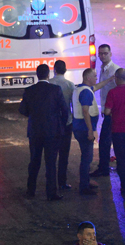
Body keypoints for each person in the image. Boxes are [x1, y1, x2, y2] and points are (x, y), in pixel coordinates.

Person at [19, 64, 68, 201]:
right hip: (52, 132)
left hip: (35, 131)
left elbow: (22, 110)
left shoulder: (29, 90)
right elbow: (65, 110)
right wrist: (60, 125)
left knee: (34, 161)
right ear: (48, 75)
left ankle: (31, 190)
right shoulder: (56, 90)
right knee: (51, 163)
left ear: (37, 74)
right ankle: (51, 193)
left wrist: (33, 115)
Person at [72, 69, 111, 195]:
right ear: (88, 78)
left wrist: (109, 80)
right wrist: (90, 130)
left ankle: (86, 182)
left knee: (86, 157)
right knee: (87, 158)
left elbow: (97, 86)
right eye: (94, 76)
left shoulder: (81, 89)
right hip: (84, 129)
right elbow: (85, 111)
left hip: (79, 128)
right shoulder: (86, 93)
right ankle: (84, 186)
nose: (96, 78)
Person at [91, 44, 120, 177]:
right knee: (108, 141)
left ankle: (104, 168)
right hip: (107, 111)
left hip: (114, 112)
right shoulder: (102, 68)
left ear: (111, 54)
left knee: (106, 141)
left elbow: (120, 91)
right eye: (101, 53)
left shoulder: (115, 71)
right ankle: (107, 167)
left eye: (105, 53)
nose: (102, 56)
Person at [48, 60, 75, 191]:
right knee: (64, 155)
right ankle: (62, 182)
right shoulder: (70, 85)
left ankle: (51, 182)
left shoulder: (49, 84)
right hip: (66, 122)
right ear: (65, 70)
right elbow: (73, 105)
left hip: (51, 123)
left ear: (55, 70)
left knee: (52, 154)